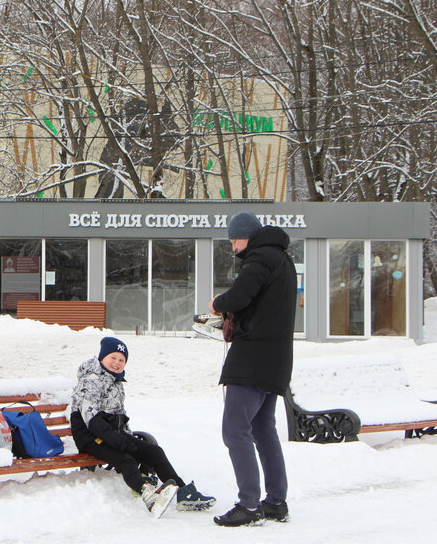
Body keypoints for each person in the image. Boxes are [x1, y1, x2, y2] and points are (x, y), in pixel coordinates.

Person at [210, 211, 296, 527]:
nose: (233, 247)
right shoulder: (282, 260)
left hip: (253, 357)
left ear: (248, 236)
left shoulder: (259, 259)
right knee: (262, 428)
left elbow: (242, 294)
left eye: (235, 240)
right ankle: (275, 501)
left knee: (235, 429)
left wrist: (220, 303)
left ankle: (249, 504)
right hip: (275, 358)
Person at [71, 336, 216, 518]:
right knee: (126, 459)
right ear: (102, 357)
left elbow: (119, 418)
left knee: (154, 452)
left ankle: (182, 492)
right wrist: (123, 442)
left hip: (111, 434)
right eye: (113, 357)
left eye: (121, 359)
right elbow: (92, 421)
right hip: (90, 436)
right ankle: (148, 494)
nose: (117, 363)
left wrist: (129, 439)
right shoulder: (91, 381)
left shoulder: (115, 382)